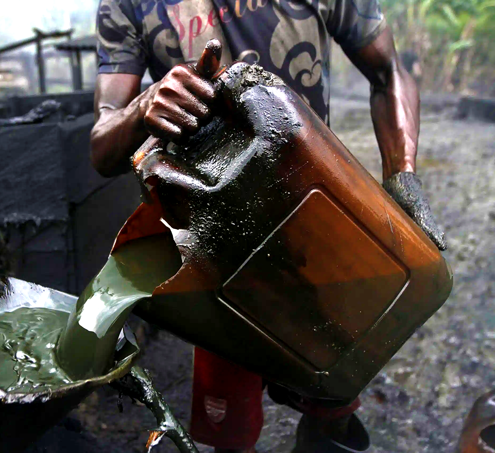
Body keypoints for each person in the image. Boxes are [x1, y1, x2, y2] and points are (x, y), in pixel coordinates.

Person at [90, 1, 446, 451]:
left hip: (322, 218)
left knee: (336, 392)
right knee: (229, 430)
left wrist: (402, 175)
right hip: (220, 246)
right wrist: (146, 102)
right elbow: (102, 147)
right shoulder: (128, 6)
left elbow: (387, 70)